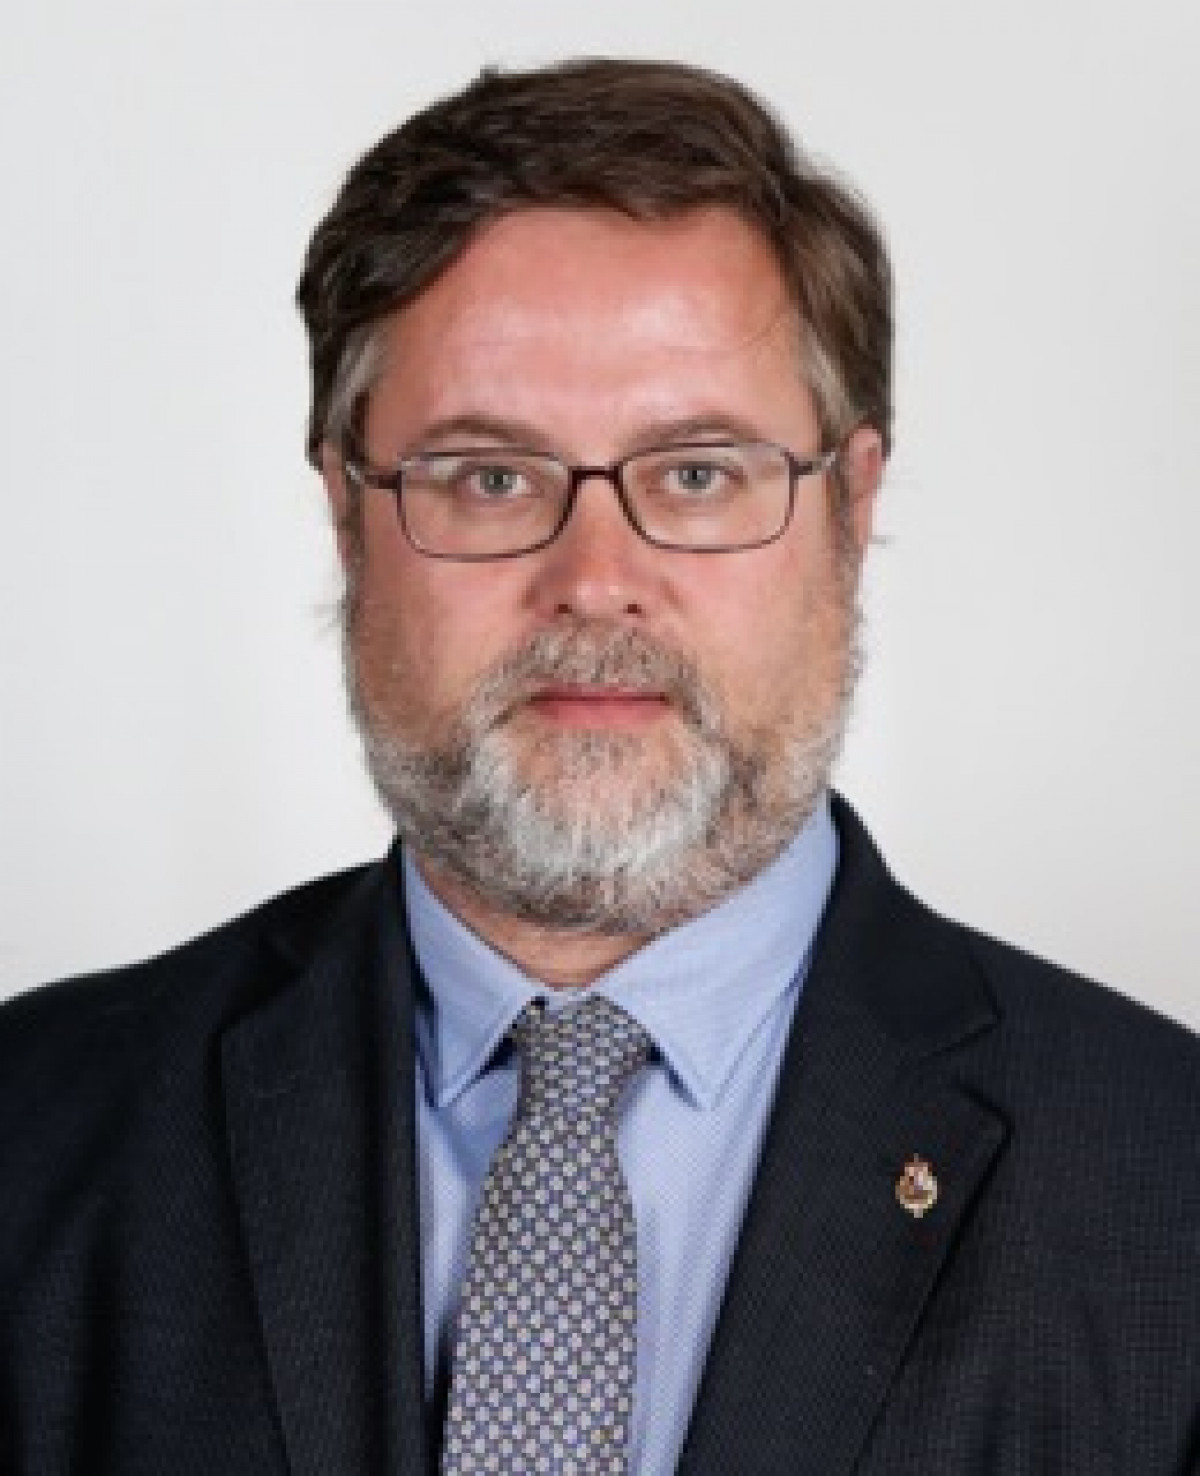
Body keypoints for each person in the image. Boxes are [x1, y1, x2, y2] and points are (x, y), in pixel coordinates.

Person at [2, 57, 1198, 1476]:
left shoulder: (1167, 1188)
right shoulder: (36, 1134)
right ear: (345, 511)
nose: (593, 578)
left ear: (851, 504)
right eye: (489, 477)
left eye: (696, 473)